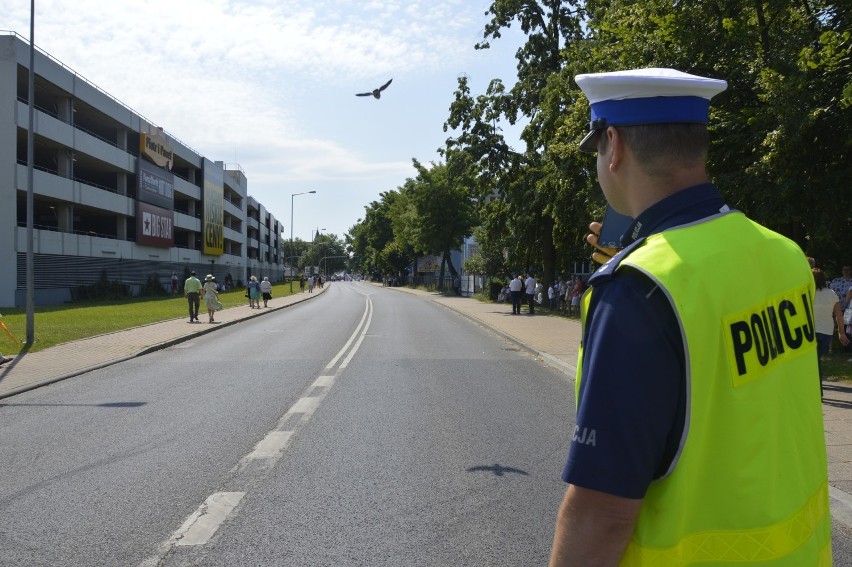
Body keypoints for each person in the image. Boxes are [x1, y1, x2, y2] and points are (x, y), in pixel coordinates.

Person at [549, 68, 830, 565]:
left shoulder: (636, 291)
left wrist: (636, 271)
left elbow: (601, 514)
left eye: (596, 148)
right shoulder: (785, 256)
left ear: (613, 145)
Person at [813, 269, 849, 390]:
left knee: (814, 361)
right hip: (827, 332)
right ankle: (818, 387)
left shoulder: (809, 293)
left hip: (812, 331)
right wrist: (841, 333)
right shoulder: (832, 293)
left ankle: (817, 388)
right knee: (817, 358)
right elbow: (839, 315)